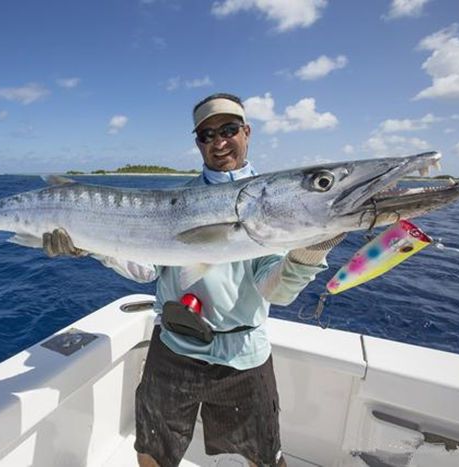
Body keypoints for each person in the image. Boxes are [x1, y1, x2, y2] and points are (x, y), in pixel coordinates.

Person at [42, 93, 345, 467]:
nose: (219, 142)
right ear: (197, 142)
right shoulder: (178, 198)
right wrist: (91, 246)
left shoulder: (275, 203)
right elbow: (148, 270)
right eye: (207, 134)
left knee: (263, 459)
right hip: (173, 349)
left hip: (243, 354)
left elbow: (276, 290)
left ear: (247, 132)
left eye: (229, 130)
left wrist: (312, 251)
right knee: (152, 453)